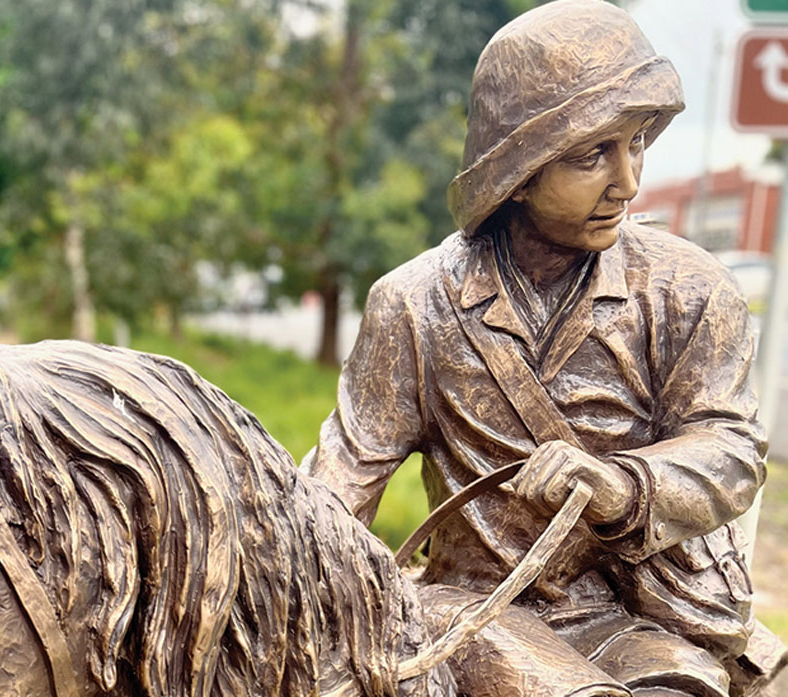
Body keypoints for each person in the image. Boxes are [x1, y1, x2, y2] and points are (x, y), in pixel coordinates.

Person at [302, 1, 788, 695]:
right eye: (594, 155)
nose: (628, 182)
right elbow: (340, 483)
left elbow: (732, 450)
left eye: (637, 143)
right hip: (472, 612)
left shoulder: (687, 291)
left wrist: (619, 485)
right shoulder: (415, 305)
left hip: (633, 615)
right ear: (518, 172)